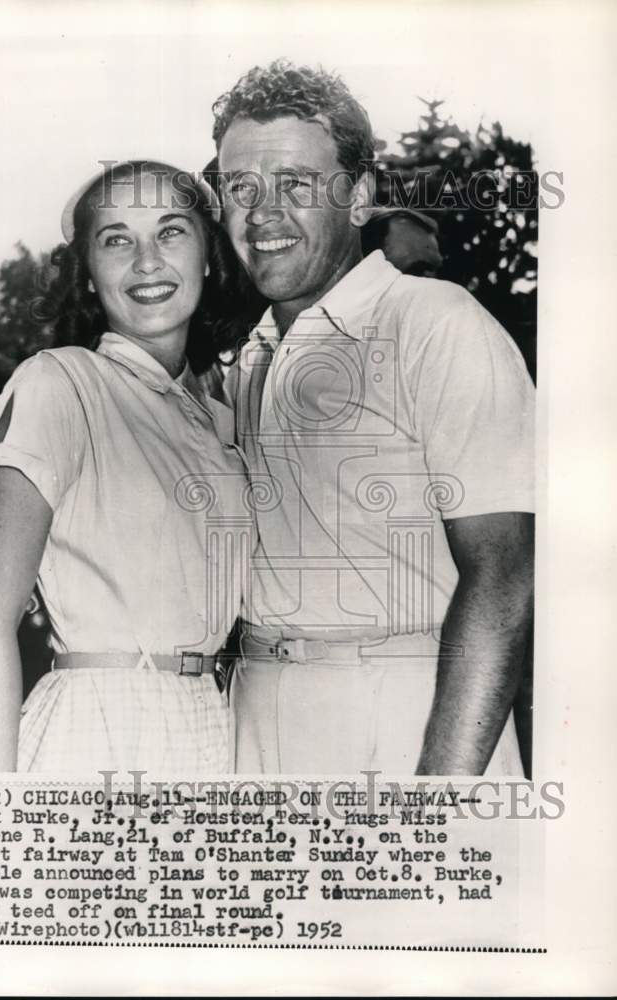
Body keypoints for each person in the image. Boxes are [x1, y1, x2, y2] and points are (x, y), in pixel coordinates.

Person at [212, 60, 535, 775]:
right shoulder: (248, 357)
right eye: (241, 187)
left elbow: (504, 577)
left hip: (404, 719)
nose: (263, 213)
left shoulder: (437, 323)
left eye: (296, 184)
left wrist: (438, 805)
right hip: (254, 719)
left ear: (358, 198)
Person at [0, 160, 253, 773]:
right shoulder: (58, 383)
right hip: (97, 730)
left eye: (171, 232)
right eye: (116, 240)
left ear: (206, 258)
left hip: (213, 727)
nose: (146, 261)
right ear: (88, 275)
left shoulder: (217, 420)